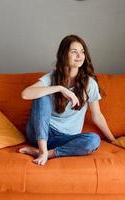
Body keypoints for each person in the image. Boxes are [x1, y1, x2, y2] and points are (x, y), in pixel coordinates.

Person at [19, 34, 115, 166]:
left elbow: (97, 116)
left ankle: (45, 153)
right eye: (74, 52)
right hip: (40, 132)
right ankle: (42, 149)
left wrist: (113, 140)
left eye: (82, 52)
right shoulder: (51, 77)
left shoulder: (89, 84)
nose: (79, 56)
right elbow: (25, 94)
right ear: (64, 55)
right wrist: (60, 88)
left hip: (65, 139)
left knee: (93, 140)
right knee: (42, 96)